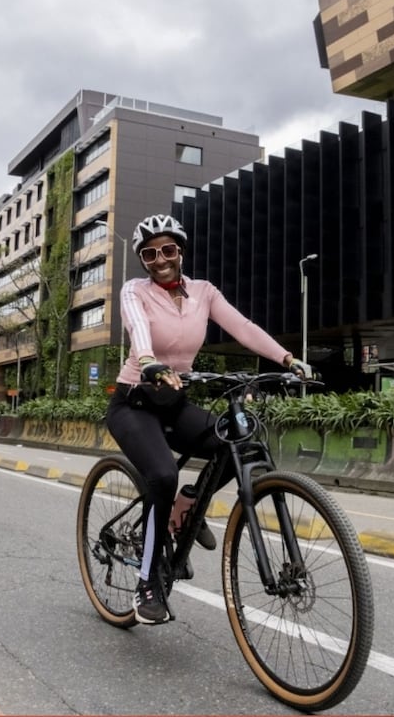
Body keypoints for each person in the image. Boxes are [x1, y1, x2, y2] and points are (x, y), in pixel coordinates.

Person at [109, 214, 312, 625]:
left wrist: (287, 359)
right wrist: (147, 361)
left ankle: (187, 507)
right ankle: (147, 583)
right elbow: (136, 325)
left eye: (168, 250)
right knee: (162, 476)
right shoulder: (135, 291)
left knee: (239, 439)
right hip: (135, 403)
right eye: (149, 254)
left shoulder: (204, 292)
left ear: (180, 252)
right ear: (143, 260)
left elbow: (243, 327)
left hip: (175, 403)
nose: (160, 260)